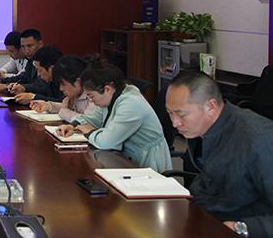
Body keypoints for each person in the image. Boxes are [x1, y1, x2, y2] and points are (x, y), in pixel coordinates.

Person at [166, 70, 273, 237]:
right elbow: (211, 184)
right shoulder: (205, 130)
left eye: (181, 114)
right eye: (170, 113)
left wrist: (241, 228)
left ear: (210, 106)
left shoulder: (259, 141)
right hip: (206, 219)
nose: (175, 123)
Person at [57, 57, 171, 172]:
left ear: (107, 89)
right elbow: (93, 118)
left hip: (147, 164)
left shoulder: (131, 104)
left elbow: (107, 142)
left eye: (91, 96)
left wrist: (90, 131)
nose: (91, 101)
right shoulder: (111, 97)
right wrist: (73, 126)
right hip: (125, 158)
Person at [29, 55, 97, 122]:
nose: (61, 89)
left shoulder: (93, 95)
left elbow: (87, 121)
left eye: (63, 84)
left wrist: (64, 111)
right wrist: (48, 106)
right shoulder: (77, 94)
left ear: (78, 82)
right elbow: (69, 109)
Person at [0, 29, 45, 95]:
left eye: (30, 46)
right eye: (23, 47)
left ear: (40, 44)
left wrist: (8, 86)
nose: (27, 50)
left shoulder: (47, 59)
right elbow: (23, 77)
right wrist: (1, 80)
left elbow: (41, 87)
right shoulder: (31, 59)